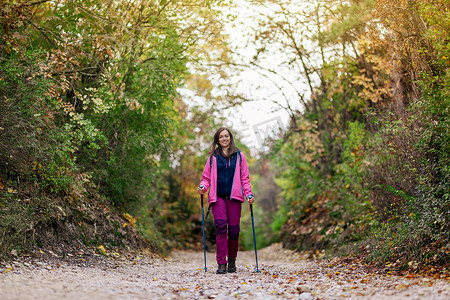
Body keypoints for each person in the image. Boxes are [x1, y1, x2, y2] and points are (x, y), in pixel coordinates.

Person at [197, 127, 255, 274]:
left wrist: (249, 195)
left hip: (234, 198)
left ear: (230, 138)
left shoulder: (239, 156)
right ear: (217, 139)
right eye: (221, 136)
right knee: (221, 228)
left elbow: (245, 179)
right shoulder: (213, 157)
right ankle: (221, 263)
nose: (224, 138)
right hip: (218, 198)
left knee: (234, 231)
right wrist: (203, 187)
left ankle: (232, 261)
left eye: (226, 136)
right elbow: (206, 178)